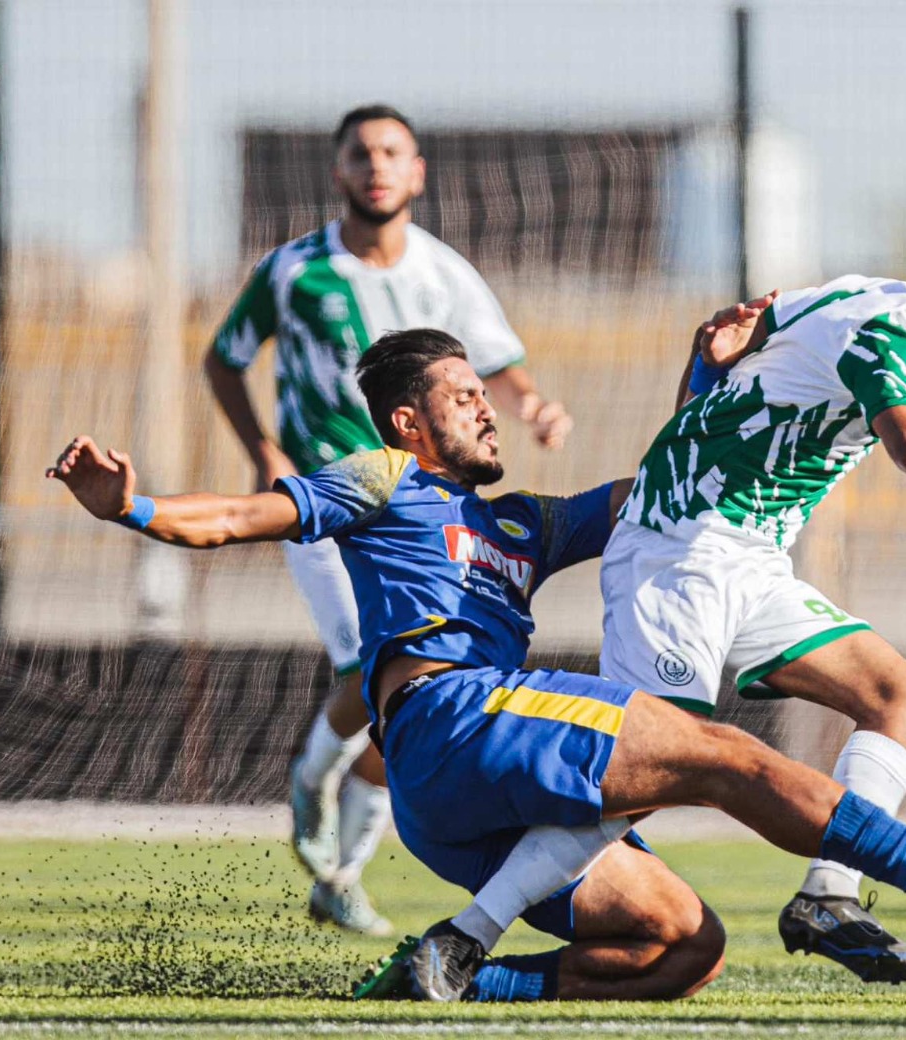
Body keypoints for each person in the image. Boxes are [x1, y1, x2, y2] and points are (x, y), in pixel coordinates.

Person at [47, 327, 906, 1003]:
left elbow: (665, 489)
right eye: (462, 395)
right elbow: (238, 514)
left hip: (465, 806)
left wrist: (708, 378)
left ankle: (452, 967)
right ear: (411, 422)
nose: (486, 406)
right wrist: (129, 507)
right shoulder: (388, 477)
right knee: (722, 754)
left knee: (683, 947)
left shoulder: (521, 523)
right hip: (451, 719)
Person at [424, 223, 906, 986]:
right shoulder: (889, 331)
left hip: (748, 559)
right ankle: (463, 940)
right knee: (647, 773)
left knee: (900, 699)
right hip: (678, 553)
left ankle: (829, 899)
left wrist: (705, 373)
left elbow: (733, 327)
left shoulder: (862, 293)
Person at [204, 103, 572, 934]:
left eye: (391, 153)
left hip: (421, 509)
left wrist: (537, 407)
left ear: (416, 173)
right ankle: (310, 777)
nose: (376, 165)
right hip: (337, 502)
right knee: (364, 671)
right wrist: (264, 449)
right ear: (339, 172)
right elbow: (224, 360)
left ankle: (342, 874)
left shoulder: (443, 272)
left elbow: (501, 367)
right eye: (361, 153)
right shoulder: (294, 271)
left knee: (405, 687)